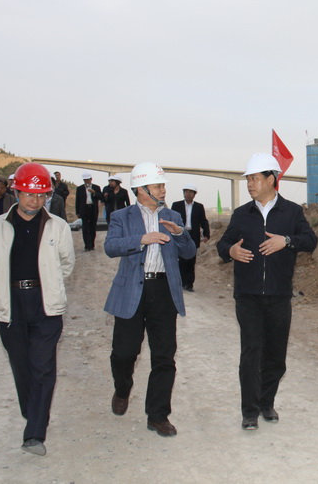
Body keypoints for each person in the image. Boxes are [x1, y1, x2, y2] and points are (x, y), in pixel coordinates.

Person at [0, 162, 75, 456]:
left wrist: (49, 284)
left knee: (43, 367)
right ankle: (33, 411)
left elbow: (66, 264)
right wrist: (3, 286)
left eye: (41, 195)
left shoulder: (58, 227)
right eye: (29, 194)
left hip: (45, 304)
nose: (35, 200)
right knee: (21, 365)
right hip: (11, 304)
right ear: (16, 192)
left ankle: (34, 433)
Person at [217, 153, 318, 430]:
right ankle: (249, 411)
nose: (250, 184)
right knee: (251, 352)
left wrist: (286, 241)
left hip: (278, 295)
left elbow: (310, 240)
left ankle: (266, 402)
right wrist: (231, 251)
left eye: (255, 178)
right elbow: (222, 244)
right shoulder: (241, 214)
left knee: (275, 356)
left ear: (271, 179)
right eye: (248, 179)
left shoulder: (292, 212)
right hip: (247, 295)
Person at [103, 162, 195, 438]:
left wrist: (179, 234)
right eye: (157, 186)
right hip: (132, 290)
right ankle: (122, 388)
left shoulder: (173, 216)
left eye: (163, 185)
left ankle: (158, 416)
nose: (163, 190)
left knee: (164, 356)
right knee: (124, 352)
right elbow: (110, 246)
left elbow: (189, 252)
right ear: (141, 190)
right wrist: (141, 239)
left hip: (163, 292)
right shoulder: (121, 216)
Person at [170, 183, 210, 291]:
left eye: (190, 192)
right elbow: (171, 220)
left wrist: (206, 234)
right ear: (183, 193)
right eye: (186, 192)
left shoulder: (199, 207)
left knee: (191, 260)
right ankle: (181, 282)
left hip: (193, 235)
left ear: (194, 194)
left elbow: (203, 221)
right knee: (181, 259)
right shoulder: (176, 205)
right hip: (180, 234)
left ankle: (189, 284)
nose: (188, 194)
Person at [75, 172, 103, 251]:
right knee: (85, 228)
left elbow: (101, 197)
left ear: (91, 179)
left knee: (92, 227)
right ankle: (87, 246)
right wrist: (77, 212)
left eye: (87, 180)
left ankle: (92, 245)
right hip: (84, 209)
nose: (86, 181)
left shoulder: (96, 187)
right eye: (85, 180)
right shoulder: (80, 188)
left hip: (93, 209)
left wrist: (94, 193)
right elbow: (77, 201)